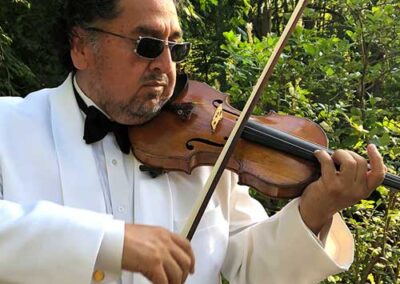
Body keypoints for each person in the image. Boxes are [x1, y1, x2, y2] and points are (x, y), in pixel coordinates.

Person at [0, 0, 386, 283]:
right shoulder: (9, 125)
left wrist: (314, 212)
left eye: (176, 48)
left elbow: (251, 269)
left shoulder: (207, 149)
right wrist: (109, 241)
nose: (166, 67)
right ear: (82, 47)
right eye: (147, 45)